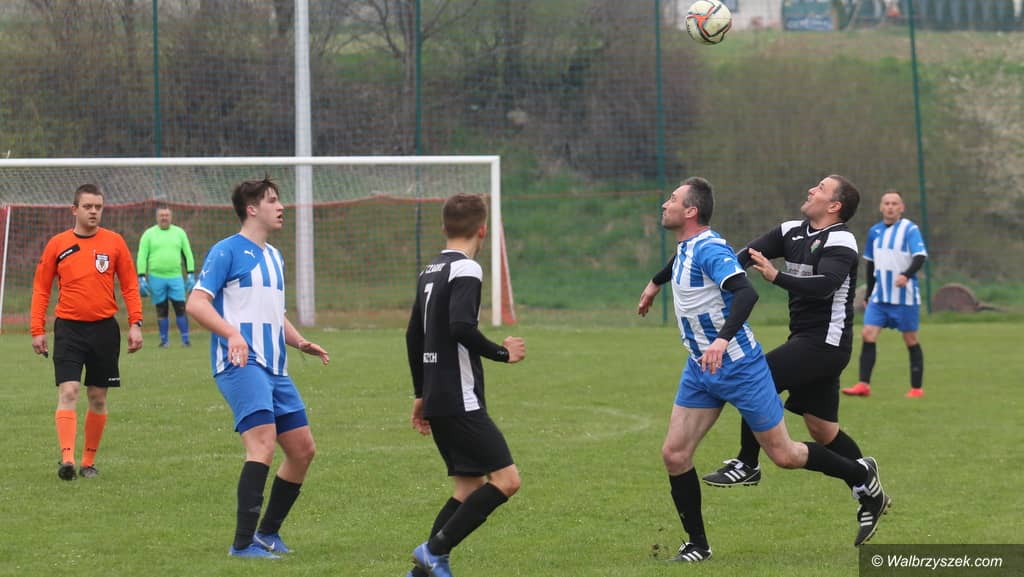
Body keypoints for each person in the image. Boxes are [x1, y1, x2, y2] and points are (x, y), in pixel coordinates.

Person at [638, 177, 889, 561]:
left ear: (835, 205)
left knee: (771, 403)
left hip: (826, 343)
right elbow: (735, 258)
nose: (811, 190)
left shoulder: (841, 240)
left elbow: (823, 286)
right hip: (771, 346)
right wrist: (657, 282)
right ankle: (863, 480)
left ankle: (748, 463)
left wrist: (774, 278)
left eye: (821, 188)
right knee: (822, 430)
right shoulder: (790, 231)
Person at [186, 177, 330, 559]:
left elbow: (273, 313)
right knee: (262, 444)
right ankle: (242, 544)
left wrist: (300, 341)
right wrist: (232, 334)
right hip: (240, 363)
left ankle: (267, 534)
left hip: (276, 366)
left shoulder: (275, 257)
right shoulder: (226, 251)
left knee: (302, 450)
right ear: (252, 209)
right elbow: (196, 303)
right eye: (272, 200)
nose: (281, 207)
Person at [403, 193, 526, 577]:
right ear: (482, 230)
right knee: (507, 481)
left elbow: (413, 335)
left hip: (438, 396)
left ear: (444, 227)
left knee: (468, 487)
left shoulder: (430, 270)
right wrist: (503, 353)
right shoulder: (467, 269)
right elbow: (460, 327)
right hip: (459, 397)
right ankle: (433, 552)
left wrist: (420, 393)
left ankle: (423, 571)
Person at [30, 183, 144, 481]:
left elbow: (130, 285)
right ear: (74, 209)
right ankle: (67, 459)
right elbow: (41, 288)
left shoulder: (114, 242)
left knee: (97, 397)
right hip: (69, 329)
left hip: (104, 330)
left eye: (98, 207)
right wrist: (37, 329)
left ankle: (88, 462)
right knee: (68, 390)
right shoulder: (57, 244)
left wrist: (136, 323)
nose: (94, 212)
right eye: (88, 206)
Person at [843, 190, 928, 398]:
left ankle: (916, 389)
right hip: (880, 297)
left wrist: (906, 275)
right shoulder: (875, 232)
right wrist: (868, 294)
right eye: (887, 203)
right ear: (881, 207)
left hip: (905, 297)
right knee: (867, 334)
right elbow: (870, 265)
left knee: (910, 339)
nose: (890, 207)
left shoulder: (910, 229)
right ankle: (863, 385)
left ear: (902, 208)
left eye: (894, 203)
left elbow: (919, 257)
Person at [136, 204, 196, 348]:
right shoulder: (149, 234)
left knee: (180, 308)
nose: (164, 218)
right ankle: (164, 341)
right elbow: (142, 256)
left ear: (171, 217)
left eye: (167, 215)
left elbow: (187, 254)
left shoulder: (179, 233)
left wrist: (191, 274)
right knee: (161, 309)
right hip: (156, 277)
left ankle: (185, 340)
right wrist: (141, 276)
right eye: (161, 215)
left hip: (175, 277)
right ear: (157, 217)